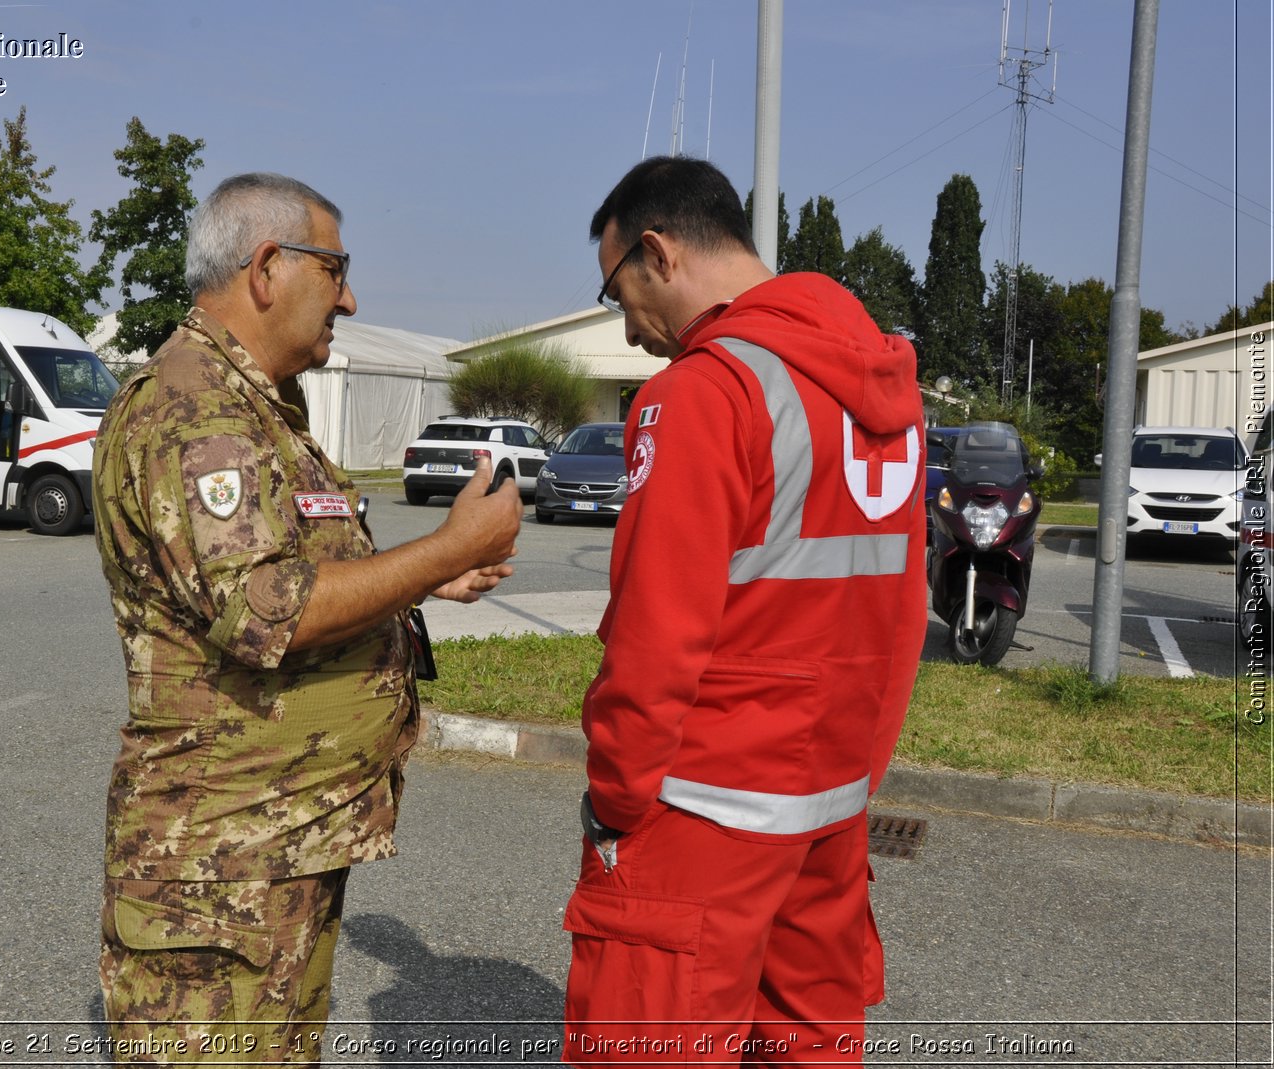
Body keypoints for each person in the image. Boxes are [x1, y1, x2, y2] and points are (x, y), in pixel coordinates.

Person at [92, 172, 522, 1064]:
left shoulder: (250, 403)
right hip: (217, 870)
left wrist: (413, 583)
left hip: (273, 845)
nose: (351, 298)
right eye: (338, 270)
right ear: (268, 267)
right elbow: (262, 613)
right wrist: (443, 548)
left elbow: (290, 574)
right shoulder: (194, 407)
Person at [563, 157, 927, 1065]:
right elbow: (899, 609)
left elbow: (654, 636)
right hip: (828, 805)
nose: (631, 327)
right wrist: (853, 775)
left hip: (701, 808)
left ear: (658, 252)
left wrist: (615, 800)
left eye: (617, 292)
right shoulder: (881, 393)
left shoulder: (704, 391)